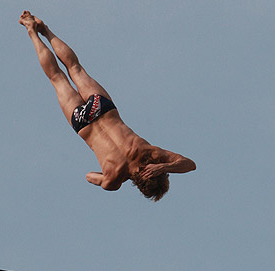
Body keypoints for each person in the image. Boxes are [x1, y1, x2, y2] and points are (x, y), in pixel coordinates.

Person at [19, 11, 196, 201]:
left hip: (101, 108)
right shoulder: (113, 180)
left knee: (75, 68)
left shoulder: (149, 152)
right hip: (83, 122)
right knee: (57, 79)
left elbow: (189, 164)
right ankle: (31, 31)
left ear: (158, 173)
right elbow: (89, 176)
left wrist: (164, 166)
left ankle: (44, 29)